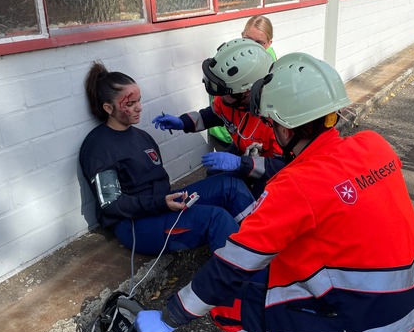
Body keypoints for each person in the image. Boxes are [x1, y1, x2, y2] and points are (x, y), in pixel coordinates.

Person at [135, 53, 414, 332]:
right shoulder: (374, 144)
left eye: (272, 123)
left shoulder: (296, 186)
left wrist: (170, 316)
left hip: (372, 321)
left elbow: (231, 267)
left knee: (225, 307)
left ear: (284, 127)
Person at [78, 62, 256, 256]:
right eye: (130, 104)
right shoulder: (98, 147)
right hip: (135, 224)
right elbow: (113, 205)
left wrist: (168, 200)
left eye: (139, 100)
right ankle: (243, 278)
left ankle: (260, 248)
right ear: (108, 108)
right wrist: (161, 203)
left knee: (230, 185)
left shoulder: (141, 137)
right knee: (217, 219)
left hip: (162, 205)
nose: (139, 108)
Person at [152, 38, 285, 197]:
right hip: (245, 153)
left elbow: (282, 166)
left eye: (224, 92)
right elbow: (211, 115)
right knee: (215, 177)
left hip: (271, 172)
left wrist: (240, 164)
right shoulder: (230, 101)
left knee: (250, 201)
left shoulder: (277, 119)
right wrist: (183, 122)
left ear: (247, 92)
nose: (219, 97)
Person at [208, 15, 277, 147]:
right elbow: (219, 106)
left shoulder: (271, 71)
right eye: (248, 39)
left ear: (269, 44)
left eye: (259, 43)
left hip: (251, 143)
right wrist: (186, 122)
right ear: (242, 36)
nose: (252, 46)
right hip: (228, 131)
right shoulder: (231, 58)